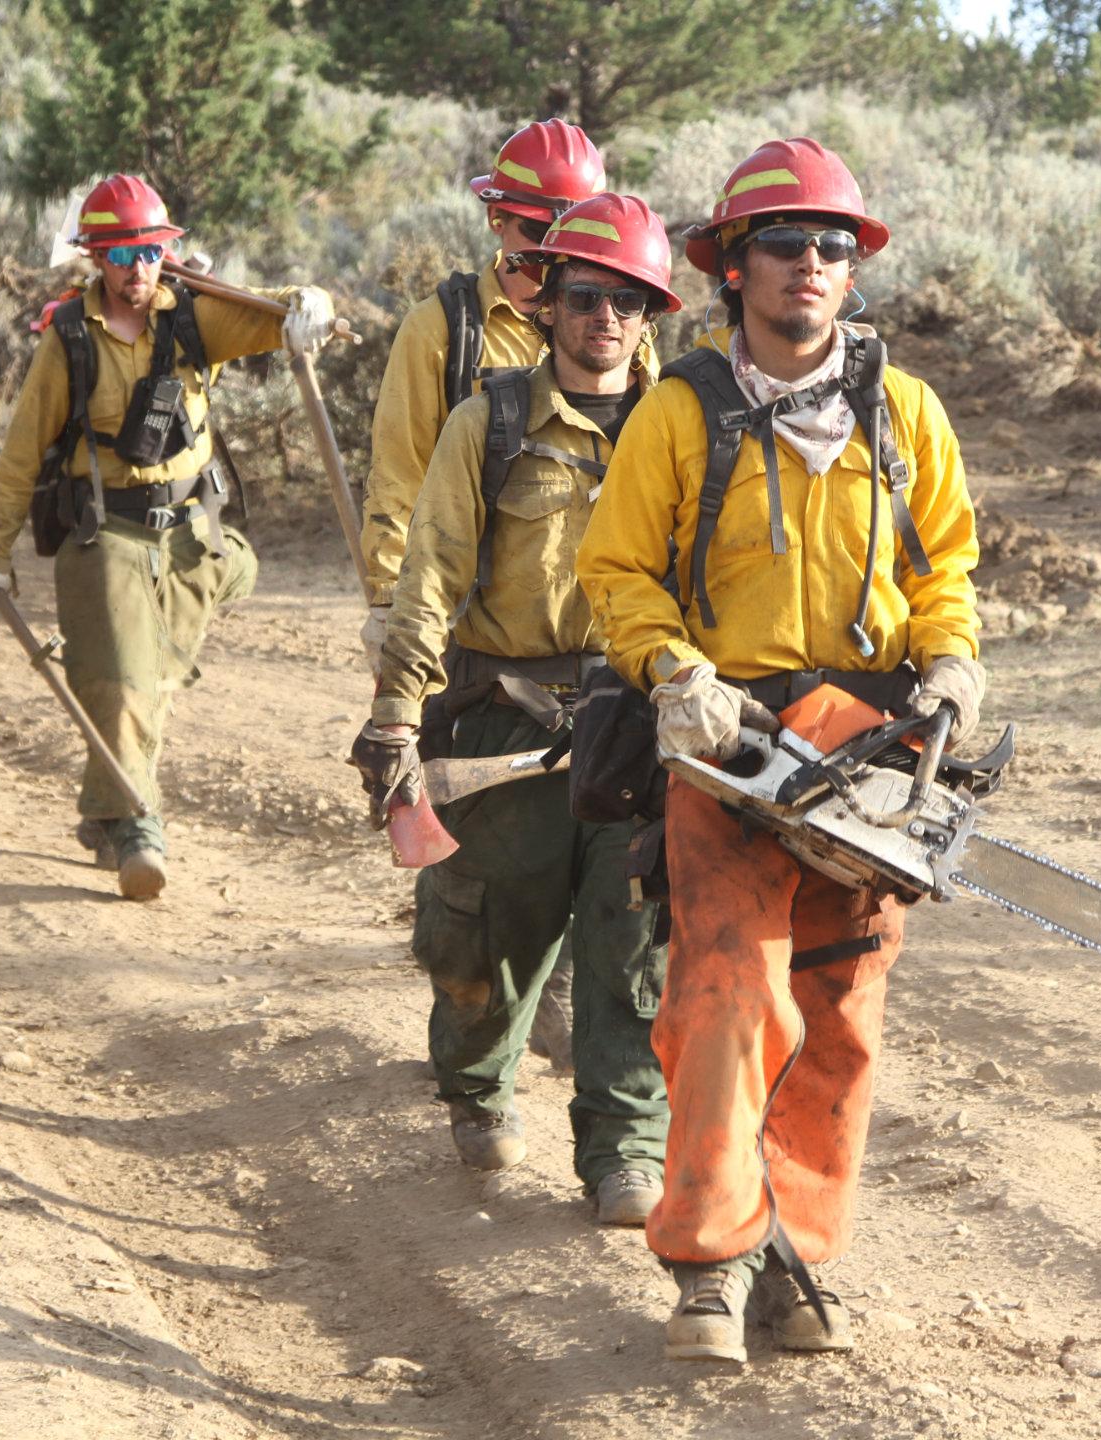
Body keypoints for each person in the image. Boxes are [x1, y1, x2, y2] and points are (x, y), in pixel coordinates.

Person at [574, 139, 987, 1361]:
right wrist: (672, 670)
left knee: (841, 1009)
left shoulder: (902, 413)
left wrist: (953, 663)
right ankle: (708, 1265)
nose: (811, 265)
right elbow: (615, 569)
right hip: (728, 742)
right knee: (727, 993)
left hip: (869, 745)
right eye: (785, 245)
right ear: (731, 267)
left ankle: (794, 1262)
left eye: (833, 246)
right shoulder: (681, 408)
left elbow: (942, 569)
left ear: (854, 271)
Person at [349, 193, 679, 1225]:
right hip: (501, 717)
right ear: (549, 307)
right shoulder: (485, 421)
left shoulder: (685, 430)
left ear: (650, 313)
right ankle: (480, 1087)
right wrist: (398, 712)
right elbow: (431, 576)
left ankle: (623, 1148)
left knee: (630, 947)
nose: (605, 319)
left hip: (633, 721)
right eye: (585, 295)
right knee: (490, 932)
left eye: (627, 300)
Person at [0, 173, 335, 900]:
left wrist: (306, 305)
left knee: (151, 679)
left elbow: (268, 319)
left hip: (196, 534)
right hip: (108, 534)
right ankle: (137, 822)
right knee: (126, 685)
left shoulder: (192, 318)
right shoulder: (68, 338)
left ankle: (103, 808)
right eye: (123, 255)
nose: (139, 270)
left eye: (151, 253)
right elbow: (22, 450)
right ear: (96, 258)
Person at [358, 119, 640, 1069]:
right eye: (527, 227)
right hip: (475, 644)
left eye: (561, 226)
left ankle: (556, 1007)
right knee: (482, 875)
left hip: (602, 663)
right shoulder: (448, 330)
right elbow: (404, 484)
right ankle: (481, 1036)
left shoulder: (625, 334)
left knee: (599, 862)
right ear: (498, 221)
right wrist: (388, 608)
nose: (542, 249)